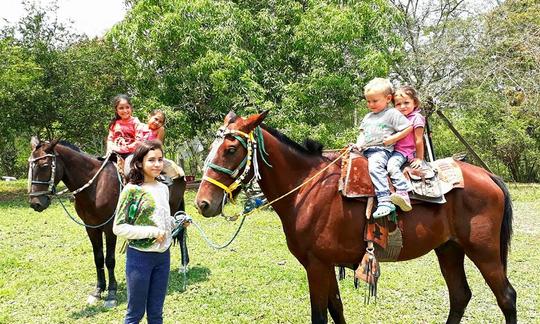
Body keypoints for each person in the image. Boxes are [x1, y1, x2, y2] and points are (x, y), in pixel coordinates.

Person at [113, 140, 174, 324]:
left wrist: (176, 222)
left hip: (163, 257)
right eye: (151, 160)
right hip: (140, 258)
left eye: (160, 159)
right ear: (139, 163)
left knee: (156, 313)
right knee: (135, 314)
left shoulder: (163, 188)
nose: (157, 164)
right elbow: (118, 227)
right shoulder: (132, 191)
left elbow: (163, 219)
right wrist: (151, 232)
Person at [355, 78, 412, 218]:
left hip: (380, 150)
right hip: (365, 151)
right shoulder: (367, 117)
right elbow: (362, 134)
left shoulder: (392, 113)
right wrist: (358, 145)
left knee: (375, 167)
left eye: (375, 101)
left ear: (388, 98)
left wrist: (393, 139)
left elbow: (408, 127)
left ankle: (384, 200)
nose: (371, 104)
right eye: (368, 101)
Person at [389, 86, 426, 211]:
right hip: (392, 150)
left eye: (406, 103)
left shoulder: (417, 118)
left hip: (404, 151)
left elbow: (419, 140)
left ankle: (403, 191)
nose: (402, 106)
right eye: (398, 104)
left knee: (392, 166)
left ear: (414, 102)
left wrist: (419, 158)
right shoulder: (396, 118)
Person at [136, 110, 184, 181]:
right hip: (137, 154)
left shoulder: (160, 130)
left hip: (152, 155)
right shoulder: (140, 126)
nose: (157, 122)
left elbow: (157, 146)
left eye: (160, 122)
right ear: (149, 116)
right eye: (156, 119)